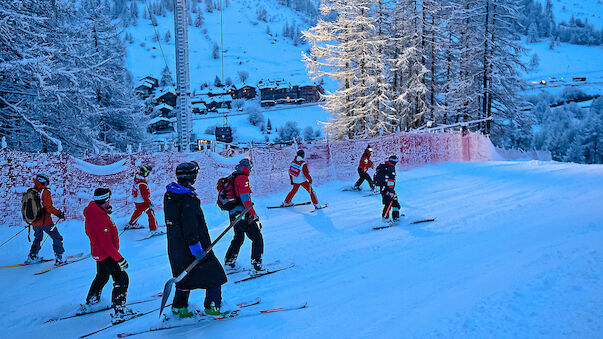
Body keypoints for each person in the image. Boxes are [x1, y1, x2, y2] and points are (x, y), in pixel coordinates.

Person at [164, 161, 228, 318]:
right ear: (192, 177)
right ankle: (213, 306)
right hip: (194, 247)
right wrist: (197, 249)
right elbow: (190, 228)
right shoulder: (188, 200)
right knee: (215, 275)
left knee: (183, 276)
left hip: (175, 247)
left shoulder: (170, 195)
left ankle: (179, 308)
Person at [83, 188, 133, 322]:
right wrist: (120, 259)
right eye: (108, 200)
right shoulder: (100, 219)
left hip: (98, 253)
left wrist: (104, 211)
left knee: (102, 276)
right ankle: (120, 310)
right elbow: (107, 245)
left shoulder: (93, 212)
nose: (109, 201)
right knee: (121, 277)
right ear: (105, 200)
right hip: (106, 254)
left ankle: (92, 300)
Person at [224, 159, 264, 272]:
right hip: (242, 213)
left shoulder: (234, 176)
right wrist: (254, 215)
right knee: (257, 237)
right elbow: (246, 200)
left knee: (238, 237)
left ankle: (229, 261)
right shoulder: (243, 178)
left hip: (233, 213)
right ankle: (257, 264)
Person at [25, 173, 66, 266]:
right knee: (56, 237)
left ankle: (32, 256)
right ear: (44, 181)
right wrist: (59, 213)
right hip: (45, 222)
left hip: (34, 222)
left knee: (38, 237)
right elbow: (48, 207)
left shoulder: (31, 191)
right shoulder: (45, 192)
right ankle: (60, 258)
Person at [127, 166, 160, 236]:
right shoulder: (142, 184)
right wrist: (149, 203)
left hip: (136, 200)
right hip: (142, 201)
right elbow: (144, 196)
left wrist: (148, 169)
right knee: (151, 213)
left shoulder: (137, 178)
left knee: (138, 211)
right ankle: (154, 229)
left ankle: (131, 223)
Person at [376, 155, 401, 222]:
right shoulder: (391, 168)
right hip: (388, 189)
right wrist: (391, 191)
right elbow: (390, 181)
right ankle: (393, 218)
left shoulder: (384, 166)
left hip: (383, 188)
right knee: (394, 203)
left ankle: (386, 218)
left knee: (388, 203)